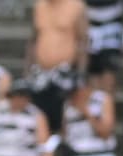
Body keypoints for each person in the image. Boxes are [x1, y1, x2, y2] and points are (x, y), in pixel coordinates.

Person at [29, 0, 88, 133]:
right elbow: (33, 38)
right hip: (41, 73)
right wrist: (28, 69)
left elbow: (83, 40)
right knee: (40, 116)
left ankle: (61, 150)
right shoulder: (39, 6)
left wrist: (80, 73)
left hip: (65, 72)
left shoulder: (76, 6)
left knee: (64, 118)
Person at [63, 76, 116, 156]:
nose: (72, 96)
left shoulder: (103, 99)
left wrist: (86, 113)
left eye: (75, 92)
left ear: (83, 89)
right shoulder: (68, 104)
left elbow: (106, 132)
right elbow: (66, 134)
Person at [85, 0, 123, 93]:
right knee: (93, 70)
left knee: (109, 70)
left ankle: (107, 105)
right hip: (90, 22)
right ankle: (95, 105)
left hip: (112, 23)